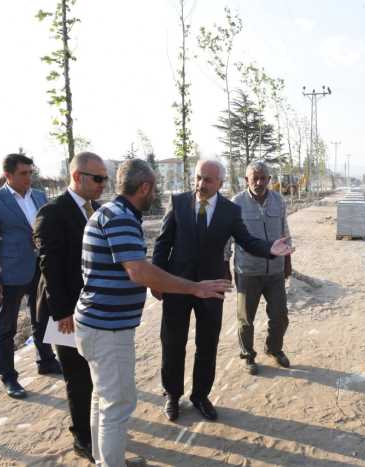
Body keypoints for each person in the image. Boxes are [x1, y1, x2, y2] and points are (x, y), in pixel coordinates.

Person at [73, 159, 232, 467]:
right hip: (108, 329)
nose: (156, 194)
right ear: (144, 187)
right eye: (154, 187)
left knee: (102, 398)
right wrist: (193, 288)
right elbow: (139, 271)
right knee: (118, 405)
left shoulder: (108, 212)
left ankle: (103, 458)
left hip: (97, 324)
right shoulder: (120, 217)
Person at [152, 159, 293, 423]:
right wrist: (158, 281)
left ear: (220, 183)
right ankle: (172, 394)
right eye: (198, 178)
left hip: (212, 288)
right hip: (177, 286)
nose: (200, 184)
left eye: (207, 180)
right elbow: (163, 243)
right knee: (172, 342)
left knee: (207, 344)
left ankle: (200, 396)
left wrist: (269, 249)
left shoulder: (229, 211)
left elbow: (246, 240)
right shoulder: (179, 202)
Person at [33, 152, 108, 463]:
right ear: (77, 177)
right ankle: (83, 438)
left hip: (95, 310)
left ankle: (98, 431)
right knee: (78, 378)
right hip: (63, 312)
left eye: (105, 178)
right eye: (98, 178)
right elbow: (49, 268)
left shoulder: (99, 211)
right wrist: (63, 313)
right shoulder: (52, 213)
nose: (103, 184)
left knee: (97, 376)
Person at [0, 153, 60, 399]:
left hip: (40, 269)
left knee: (43, 318)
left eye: (30, 172)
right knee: (6, 328)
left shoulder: (39, 196)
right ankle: (10, 378)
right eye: (23, 173)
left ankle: (46, 360)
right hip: (10, 274)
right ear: (8, 175)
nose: (29, 178)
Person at [225, 161, 292, 375]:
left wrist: (288, 261)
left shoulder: (278, 201)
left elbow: (285, 232)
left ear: (269, 180)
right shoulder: (236, 203)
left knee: (280, 315)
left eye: (264, 178)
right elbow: (227, 240)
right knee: (246, 319)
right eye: (255, 178)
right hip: (247, 272)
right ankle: (248, 355)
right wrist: (225, 266)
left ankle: (274, 349)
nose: (259, 182)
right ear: (246, 180)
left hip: (275, 271)